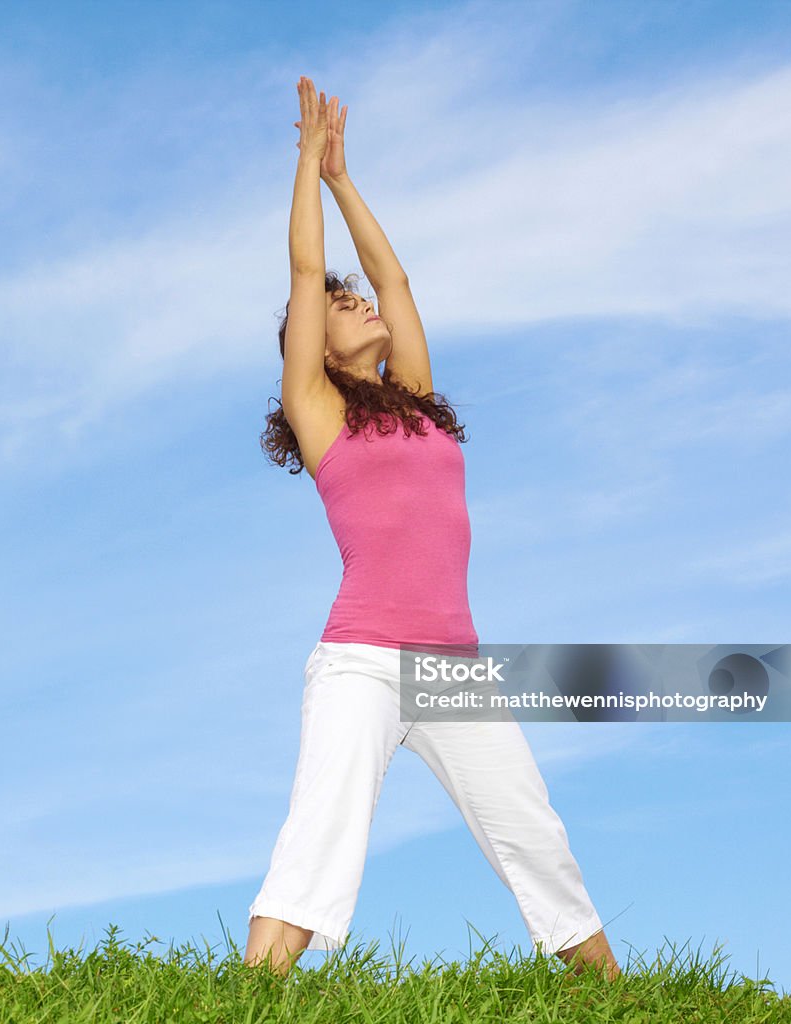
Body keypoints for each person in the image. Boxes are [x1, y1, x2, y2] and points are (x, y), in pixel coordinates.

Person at [244, 75, 622, 983]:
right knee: (319, 843)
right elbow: (306, 273)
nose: (361, 304)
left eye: (354, 300)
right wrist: (303, 162)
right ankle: (253, 998)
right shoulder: (320, 413)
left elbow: (396, 277)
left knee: (533, 834)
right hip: (363, 659)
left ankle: (615, 996)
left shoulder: (415, 405)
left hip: (453, 663)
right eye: (343, 309)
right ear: (317, 345)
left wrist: (344, 178)